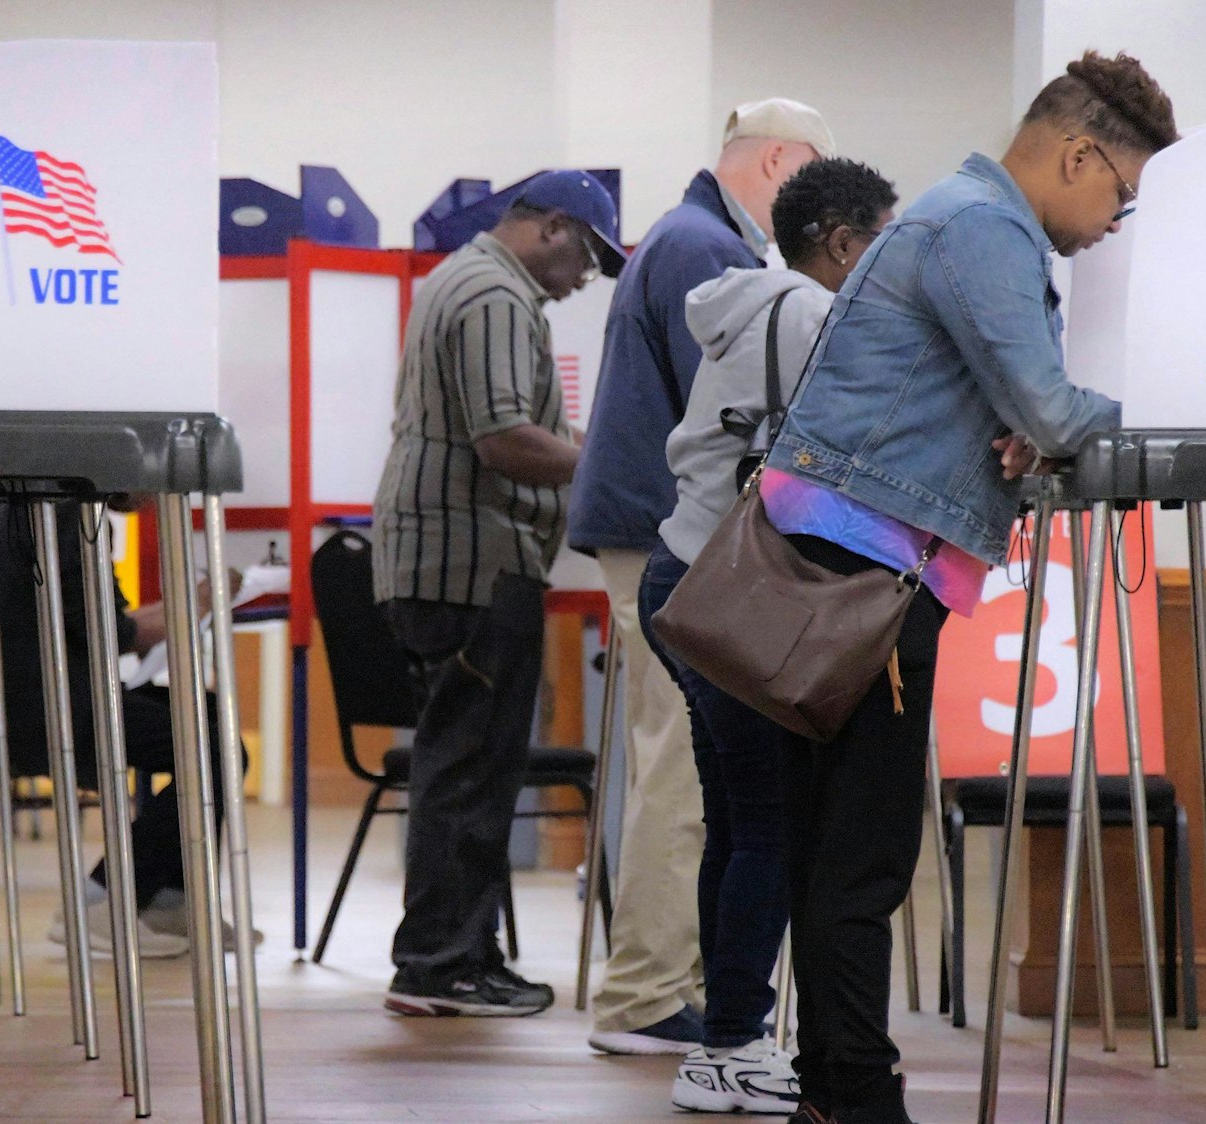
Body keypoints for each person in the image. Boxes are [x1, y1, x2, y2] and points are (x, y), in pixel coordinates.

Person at [758, 52, 1175, 1123]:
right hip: (866, 570)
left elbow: (988, 408)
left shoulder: (951, 215)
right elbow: (1047, 406)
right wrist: (1157, 411)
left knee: (830, 848)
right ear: (1078, 152)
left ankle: (832, 1084)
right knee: (863, 854)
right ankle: (855, 1094)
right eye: (1118, 194)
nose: (1113, 221)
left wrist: (1007, 433)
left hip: (837, 556)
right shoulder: (984, 229)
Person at [571, 97, 834, 1056]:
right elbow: (740, 418)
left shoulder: (686, 239)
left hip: (648, 537)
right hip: (671, 541)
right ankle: (645, 994)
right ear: (773, 162)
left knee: (682, 771)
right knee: (682, 776)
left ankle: (661, 981)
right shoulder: (703, 250)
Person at [644, 158, 897, 1114]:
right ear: (840, 242)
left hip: (687, 574)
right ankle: (731, 1042)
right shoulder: (805, 313)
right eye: (880, 238)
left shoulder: (746, 302)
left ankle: (725, 1036)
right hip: (738, 585)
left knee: (739, 819)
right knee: (770, 826)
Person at [372, 170, 623, 1017]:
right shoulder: (492, 294)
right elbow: (503, 439)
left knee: (469, 764)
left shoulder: (468, 280)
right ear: (552, 228)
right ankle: (438, 965)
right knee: (469, 768)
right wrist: (611, 467)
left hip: (451, 562)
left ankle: (462, 954)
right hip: (470, 566)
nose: (587, 274)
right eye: (588, 253)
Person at [0, 499, 247, 959]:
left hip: (49, 698)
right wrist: (195, 603)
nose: (151, 497)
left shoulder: (52, 510)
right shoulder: (63, 521)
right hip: (48, 711)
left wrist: (192, 602)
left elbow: (111, 625)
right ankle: (105, 897)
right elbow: (112, 635)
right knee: (214, 750)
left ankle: (165, 900)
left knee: (216, 724)